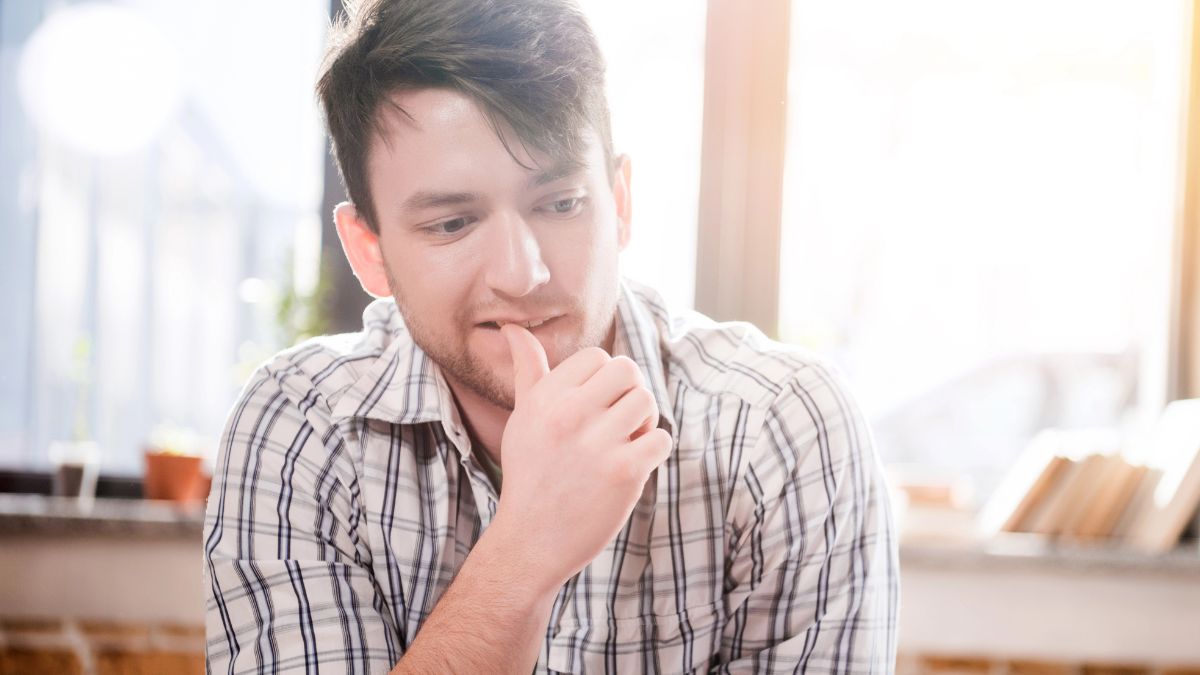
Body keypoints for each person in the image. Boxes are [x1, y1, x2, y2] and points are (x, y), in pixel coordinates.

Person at [202, 0, 900, 672]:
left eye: (561, 203)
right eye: (452, 223)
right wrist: (527, 546)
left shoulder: (783, 428)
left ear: (620, 203)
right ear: (369, 252)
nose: (522, 271)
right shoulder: (302, 428)